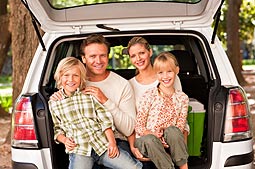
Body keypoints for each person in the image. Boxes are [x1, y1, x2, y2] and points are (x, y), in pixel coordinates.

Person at [50, 34, 142, 168]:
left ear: (108, 56)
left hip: (112, 140)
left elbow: (128, 129)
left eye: (102, 55)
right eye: (92, 56)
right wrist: (59, 95)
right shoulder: (74, 82)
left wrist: (105, 100)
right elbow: (58, 124)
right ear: (83, 58)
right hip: (81, 145)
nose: (98, 61)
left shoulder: (122, 84)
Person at [127, 37, 189, 143]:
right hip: (146, 141)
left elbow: (180, 116)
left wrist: (182, 148)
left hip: (171, 139)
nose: (138, 58)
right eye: (133, 56)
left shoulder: (168, 78)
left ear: (150, 52)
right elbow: (132, 123)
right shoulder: (129, 85)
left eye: (142, 53)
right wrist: (133, 148)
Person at [134, 52, 189, 169]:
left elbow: (180, 126)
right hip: (146, 140)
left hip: (168, 139)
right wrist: (153, 134)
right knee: (151, 140)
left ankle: (183, 166)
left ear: (177, 71)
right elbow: (139, 126)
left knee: (174, 131)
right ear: (156, 74)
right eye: (160, 72)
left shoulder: (182, 98)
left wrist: (164, 136)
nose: (165, 76)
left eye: (169, 71)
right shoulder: (149, 95)